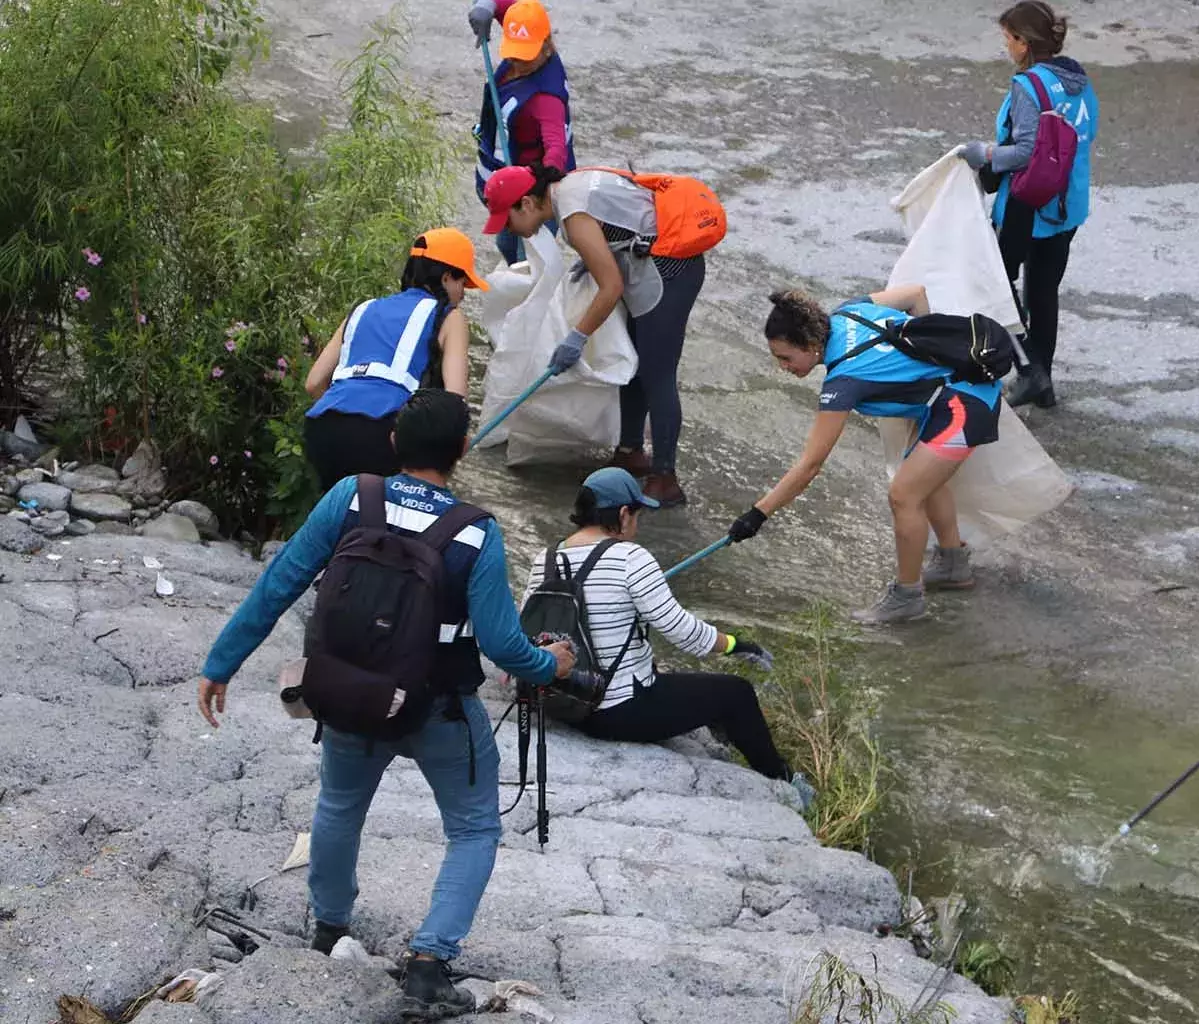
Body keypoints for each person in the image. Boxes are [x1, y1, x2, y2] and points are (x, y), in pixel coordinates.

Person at [194, 389, 577, 1019]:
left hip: (348, 693)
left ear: (395, 440)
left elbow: (281, 581)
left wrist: (221, 664)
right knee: (475, 828)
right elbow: (506, 646)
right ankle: (429, 965)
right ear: (461, 450)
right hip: (439, 710)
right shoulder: (476, 533)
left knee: (340, 807)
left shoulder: (351, 496)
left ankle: (329, 929)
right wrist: (551, 664)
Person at [524, 467, 812, 804]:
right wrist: (736, 644)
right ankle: (786, 784)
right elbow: (682, 632)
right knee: (737, 693)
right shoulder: (631, 557)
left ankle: (724, 734)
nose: (637, 524)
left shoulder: (544, 559)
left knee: (677, 680)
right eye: (637, 514)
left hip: (558, 700)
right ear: (622, 514)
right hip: (613, 712)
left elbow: (525, 627)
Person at [727, 287, 1000, 625]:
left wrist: (757, 515)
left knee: (904, 495)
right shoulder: (846, 312)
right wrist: (927, 357)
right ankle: (953, 565)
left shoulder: (843, 381)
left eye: (786, 358)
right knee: (920, 480)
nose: (782, 366)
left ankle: (907, 597)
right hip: (953, 392)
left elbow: (810, 465)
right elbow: (915, 294)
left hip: (964, 405)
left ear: (811, 346)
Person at [483, 164, 705, 507]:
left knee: (658, 374)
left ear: (526, 203)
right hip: (648, 262)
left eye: (507, 221)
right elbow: (620, 224)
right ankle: (630, 452)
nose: (510, 230)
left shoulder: (572, 212)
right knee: (637, 364)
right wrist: (598, 255)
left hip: (668, 273)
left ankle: (665, 479)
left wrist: (577, 337)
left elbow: (611, 287)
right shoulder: (569, 188)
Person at [958, 0, 1098, 410]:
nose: (1006, 46)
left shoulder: (1028, 87)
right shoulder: (1079, 82)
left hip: (1028, 204)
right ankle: (1045, 384)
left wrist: (984, 154)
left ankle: (1028, 369)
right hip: (1067, 203)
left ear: (1024, 42)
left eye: (1008, 38)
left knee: (1000, 286)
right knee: (1043, 292)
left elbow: (1022, 152)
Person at [303, 229, 488, 488]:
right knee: (387, 522)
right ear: (446, 278)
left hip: (323, 429)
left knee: (344, 515)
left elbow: (313, 383)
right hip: (385, 434)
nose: (463, 294)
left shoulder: (364, 308)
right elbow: (454, 400)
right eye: (462, 283)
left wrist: (348, 418)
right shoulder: (449, 316)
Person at [468, 0, 574, 265]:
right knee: (506, 242)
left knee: (528, 265)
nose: (517, 63)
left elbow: (556, 149)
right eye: (514, 54)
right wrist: (487, 6)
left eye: (526, 56)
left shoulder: (546, 99)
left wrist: (535, 198)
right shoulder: (528, 36)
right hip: (511, 186)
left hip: (533, 197)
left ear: (546, 46)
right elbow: (513, 9)